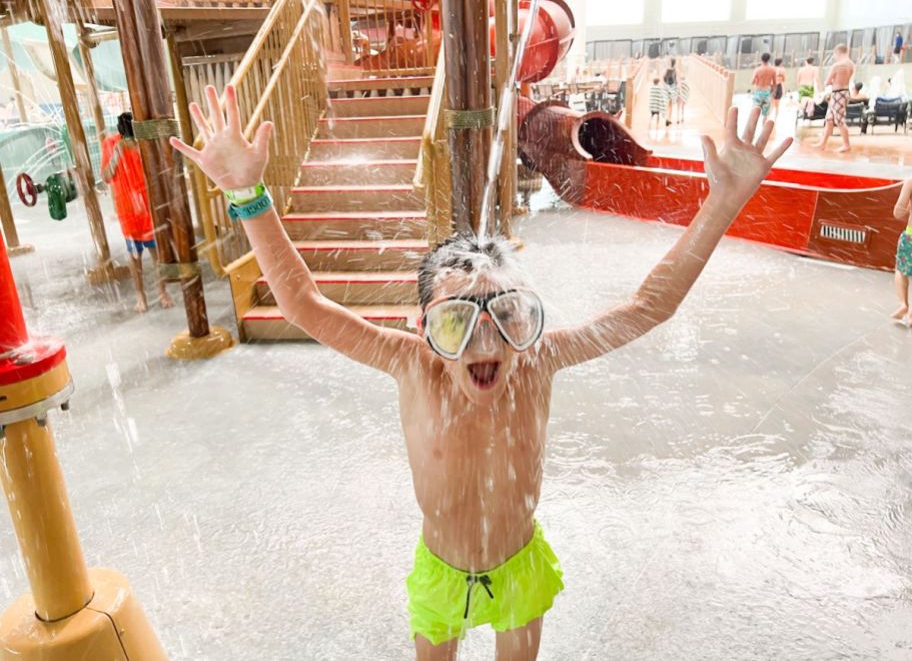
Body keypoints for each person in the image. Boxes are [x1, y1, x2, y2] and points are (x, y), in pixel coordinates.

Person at [171, 85, 792, 661]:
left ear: (528, 322)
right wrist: (248, 196)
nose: (483, 340)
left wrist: (723, 202)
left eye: (507, 314)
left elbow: (648, 307)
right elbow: (304, 304)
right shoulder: (410, 365)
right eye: (454, 323)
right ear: (423, 330)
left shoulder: (538, 359)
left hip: (518, 564)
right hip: (442, 570)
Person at [101, 112, 173, 313]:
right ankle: (141, 296)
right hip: (127, 210)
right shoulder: (111, 143)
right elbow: (107, 176)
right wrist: (118, 151)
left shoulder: (145, 144)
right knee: (134, 256)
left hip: (148, 208)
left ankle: (162, 292)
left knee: (157, 253)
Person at [813, 43, 855, 153]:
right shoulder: (851, 64)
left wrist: (831, 82)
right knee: (829, 120)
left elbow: (827, 82)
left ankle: (847, 145)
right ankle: (822, 143)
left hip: (838, 94)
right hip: (844, 92)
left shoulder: (837, 65)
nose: (834, 57)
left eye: (834, 54)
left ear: (838, 52)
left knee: (840, 121)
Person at [893, 178, 912, 325]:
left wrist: (905, 208)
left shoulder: (910, 182)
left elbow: (897, 213)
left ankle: (904, 304)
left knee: (901, 270)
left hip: (911, 236)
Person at [750, 52, 776, 118]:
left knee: (755, 112)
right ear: (769, 59)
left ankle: (753, 127)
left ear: (761, 59)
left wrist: (757, 81)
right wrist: (774, 92)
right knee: (766, 114)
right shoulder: (772, 70)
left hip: (758, 92)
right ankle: (764, 127)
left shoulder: (757, 70)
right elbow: (774, 83)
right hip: (767, 92)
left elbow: (752, 82)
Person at [663, 58, 677, 126]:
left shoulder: (666, 70)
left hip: (666, 89)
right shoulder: (675, 70)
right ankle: (669, 119)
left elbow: (663, 78)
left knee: (667, 104)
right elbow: (676, 80)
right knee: (671, 105)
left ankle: (666, 118)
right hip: (672, 89)